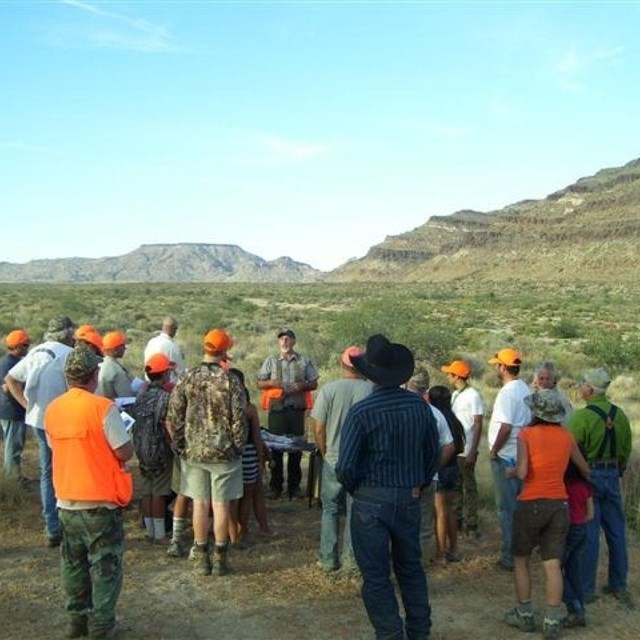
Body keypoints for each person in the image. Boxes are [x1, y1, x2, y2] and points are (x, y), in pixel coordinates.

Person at [337, 334, 440, 640]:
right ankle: (419, 631)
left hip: (370, 499)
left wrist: (359, 490)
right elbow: (432, 454)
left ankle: (390, 633)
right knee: (410, 569)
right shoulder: (420, 408)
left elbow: (345, 467)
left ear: (369, 374)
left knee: (376, 576)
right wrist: (417, 484)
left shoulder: (361, 412)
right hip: (408, 497)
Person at [44, 348, 133, 640]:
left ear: (68, 376)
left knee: (73, 565)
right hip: (100, 503)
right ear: (93, 376)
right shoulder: (103, 408)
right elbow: (124, 450)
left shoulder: (53, 409)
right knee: (106, 567)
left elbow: (57, 447)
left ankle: (76, 621)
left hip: (67, 501)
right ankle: (102, 626)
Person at [504, 389, 590, 639]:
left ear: (536, 412)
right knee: (552, 564)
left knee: (521, 559)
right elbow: (584, 468)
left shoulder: (526, 434)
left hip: (530, 502)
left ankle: (525, 615)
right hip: (559, 504)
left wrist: (509, 473)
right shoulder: (566, 437)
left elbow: (521, 473)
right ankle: (552, 621)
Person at [166, 328, 247, 576]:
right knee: (221, 506)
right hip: (224, 454)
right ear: (224, 351)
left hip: (194, 452)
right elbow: (239, 420)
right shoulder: (230, 381)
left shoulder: (187, 377)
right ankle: (221, 558)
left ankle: (201, 557)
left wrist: (180, 445)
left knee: (199, 504)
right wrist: (237, 446)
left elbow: (173, 417)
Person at [5, 315, 76, 546]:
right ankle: (67, 522)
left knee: (47, 471)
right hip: (62, 421)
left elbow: (11, 379)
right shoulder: (67, 355)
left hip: (37, 420)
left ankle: (52, 528)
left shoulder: (36, 352)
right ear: (66, 334)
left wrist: (27, 406)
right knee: (66, 470)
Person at [567, 367, 634, 609]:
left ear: (590, 389)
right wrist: (618, 468)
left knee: (589, 532)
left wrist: (582, 474)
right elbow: (626, 448)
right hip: (613, 474)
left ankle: (586, 589)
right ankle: (618, 583)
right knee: (616, 531)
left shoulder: (581, 418)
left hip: (590, 474)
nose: (580, 387)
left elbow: (571, 450)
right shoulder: (622, 415)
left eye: (582, 383)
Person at [311, 346, 373, 573]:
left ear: (343, 364)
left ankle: (328, 559)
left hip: (334, 458)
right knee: (355, 509)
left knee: (330, 509)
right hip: (360, 460)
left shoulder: (329, 390)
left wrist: (325, 450)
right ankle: (351, 560)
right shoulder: (372, 390)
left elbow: (318, 428)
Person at [256, 327, 319, 499]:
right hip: (277, 410)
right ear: (278, 341)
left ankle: (294, 486)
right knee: (275, 448)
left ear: (294, 341)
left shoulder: (304, 361)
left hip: (297, 410)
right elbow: (259, 383)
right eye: (282, 338)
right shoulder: (270, 360)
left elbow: (314, 383)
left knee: (296, 448)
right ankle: (276, 486)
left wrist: (301, 385)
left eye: (288, 338)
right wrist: (273, 382)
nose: (284, 341)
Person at [487, 347, 532, 571]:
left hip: (506, 458)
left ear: (503, 367)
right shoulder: (524, 388)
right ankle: (522, 552)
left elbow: (505, 427)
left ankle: (510, 557)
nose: (496, 368)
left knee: (506, 509)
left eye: (497, 364)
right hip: (520, 456)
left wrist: (494, 450)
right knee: (519, 509)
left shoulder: (507, 393)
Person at [131, 353, 175, 543]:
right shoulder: (165, 398)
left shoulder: (141, 396)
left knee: (147, 491)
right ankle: (159, 534)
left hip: (141, 450)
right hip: (159, 452)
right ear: (164, 373)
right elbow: (168, 425)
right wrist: (175, 446)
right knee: (159, 493)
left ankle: (149, 531)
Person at [441, 359, 484, 538]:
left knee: (470, 487)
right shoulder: (456, 394)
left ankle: (472, 524)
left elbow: (478, 421)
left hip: (466, 449)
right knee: (456, 486)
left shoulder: (473, 394)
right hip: (457, 448)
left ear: (457, 376)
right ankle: (457, 521)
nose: (448, 376)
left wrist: (473, 450)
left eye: (450, 374)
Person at [228, 368, 271, 544]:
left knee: (232, 497)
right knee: (248, 493)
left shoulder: (221, 403)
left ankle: (232, 532)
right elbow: (256, 436)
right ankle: (242, 529)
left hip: (228, 454)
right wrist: (261, 459)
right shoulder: (248, 406)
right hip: (248, 454)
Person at [427, 385, 466, 565]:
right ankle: (454, 550)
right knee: (449, 510)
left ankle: (440, 553)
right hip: (453, 468)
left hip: (441, 469)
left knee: (439, 513)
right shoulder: (454, 420)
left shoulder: (437, 418)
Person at [562, 458, 594, 628]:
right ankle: (580, 609)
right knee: (574, 571)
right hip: (582, 528)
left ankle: (573, 607)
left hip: (569, 530)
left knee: (556, 569)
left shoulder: (564, 487)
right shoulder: (585, 487)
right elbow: (591, 515)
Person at [0, 329, 31, 477]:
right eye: (25, 345)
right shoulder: (9, 363)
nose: (28, 347)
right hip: (12, 411)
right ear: (17, 346)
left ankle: (13, 475)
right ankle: (12, 478)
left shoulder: (9, 362)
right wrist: (23, 401)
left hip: (10, 410)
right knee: (13, 446)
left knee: (13, 444)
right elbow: (6, 388)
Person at [144, 315, 185, 383]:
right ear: (174, 329)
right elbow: (181, 372)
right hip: (167, 389)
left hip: (149, 386)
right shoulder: (173, 348)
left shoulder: (150, 343)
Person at [97, 331, 133, 399]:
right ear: (115, 349)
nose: (125, 348)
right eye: (122, 345)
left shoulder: (100, 364)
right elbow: (127, 397)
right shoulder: (116, 370)